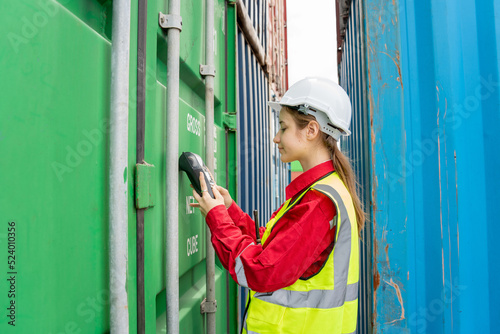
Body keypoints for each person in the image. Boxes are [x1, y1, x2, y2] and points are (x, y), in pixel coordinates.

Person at [191, 77, 365, 334]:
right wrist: (229, 210)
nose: (276, 138)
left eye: (283, 127)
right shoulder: (322, 191)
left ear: (311, 130)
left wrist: (217, 218)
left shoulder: (319, 203)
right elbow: (275, 247)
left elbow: (260, 271)